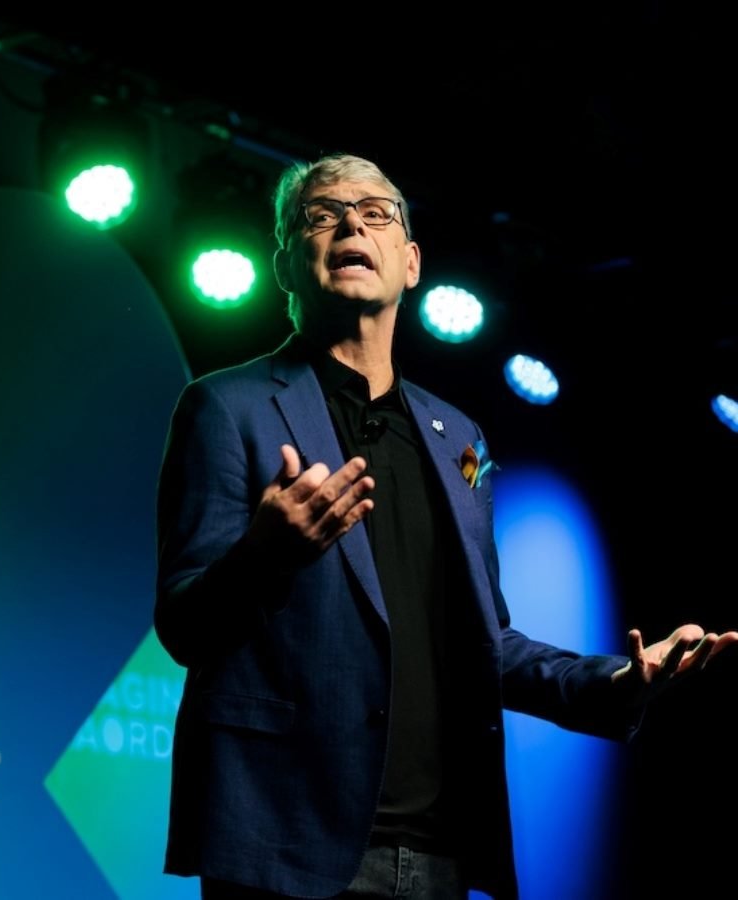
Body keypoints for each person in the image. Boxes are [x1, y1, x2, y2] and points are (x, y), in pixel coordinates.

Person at [152, 152, 737, 900]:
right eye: (321, 214)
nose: (350, 223)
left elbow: (485, 643)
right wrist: (264, 556)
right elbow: (182, 623)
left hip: (440, 857)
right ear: (286, 267)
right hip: (286, 844)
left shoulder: (455, 436)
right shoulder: (225, 408)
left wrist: (616, 681)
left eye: (375, 212)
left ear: (412, 262)